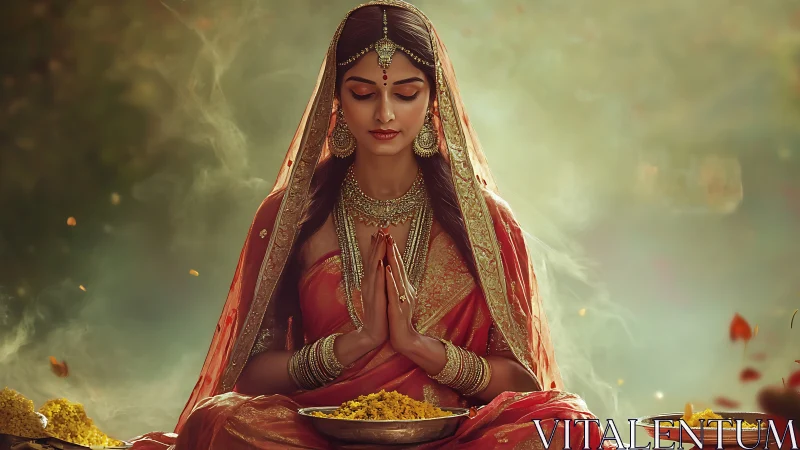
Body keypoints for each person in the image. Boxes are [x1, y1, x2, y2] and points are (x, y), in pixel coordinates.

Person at [128, 1, 607, 448]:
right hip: (321, 435)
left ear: (434, 99)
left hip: (457, 436)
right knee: (223, 423)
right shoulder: (289, 215)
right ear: (336, 99)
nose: (385, 114)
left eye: (405, 93)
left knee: (567, 425)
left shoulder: (485, 221)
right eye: (363, 93)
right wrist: (352, 346)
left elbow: (522, 383)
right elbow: (251, 377)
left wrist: (419, 347)